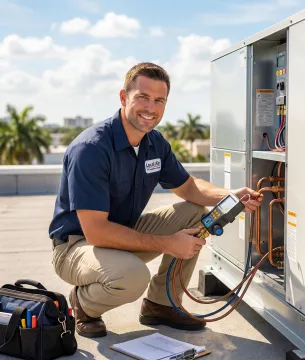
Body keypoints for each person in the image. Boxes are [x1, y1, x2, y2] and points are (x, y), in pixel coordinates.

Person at [49, 62, 263, 339]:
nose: (151, 108)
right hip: (76, 246)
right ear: (124, 97)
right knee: (132, 276)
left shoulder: (154, 143)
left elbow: (189, 188)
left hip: (124, 231)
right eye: (143, 97)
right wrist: (168, 243)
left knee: (196, 212)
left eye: (159, 100)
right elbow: (97, 231)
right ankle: (84, 305)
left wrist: (230, 196)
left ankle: (162, 304)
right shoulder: (91, 149)